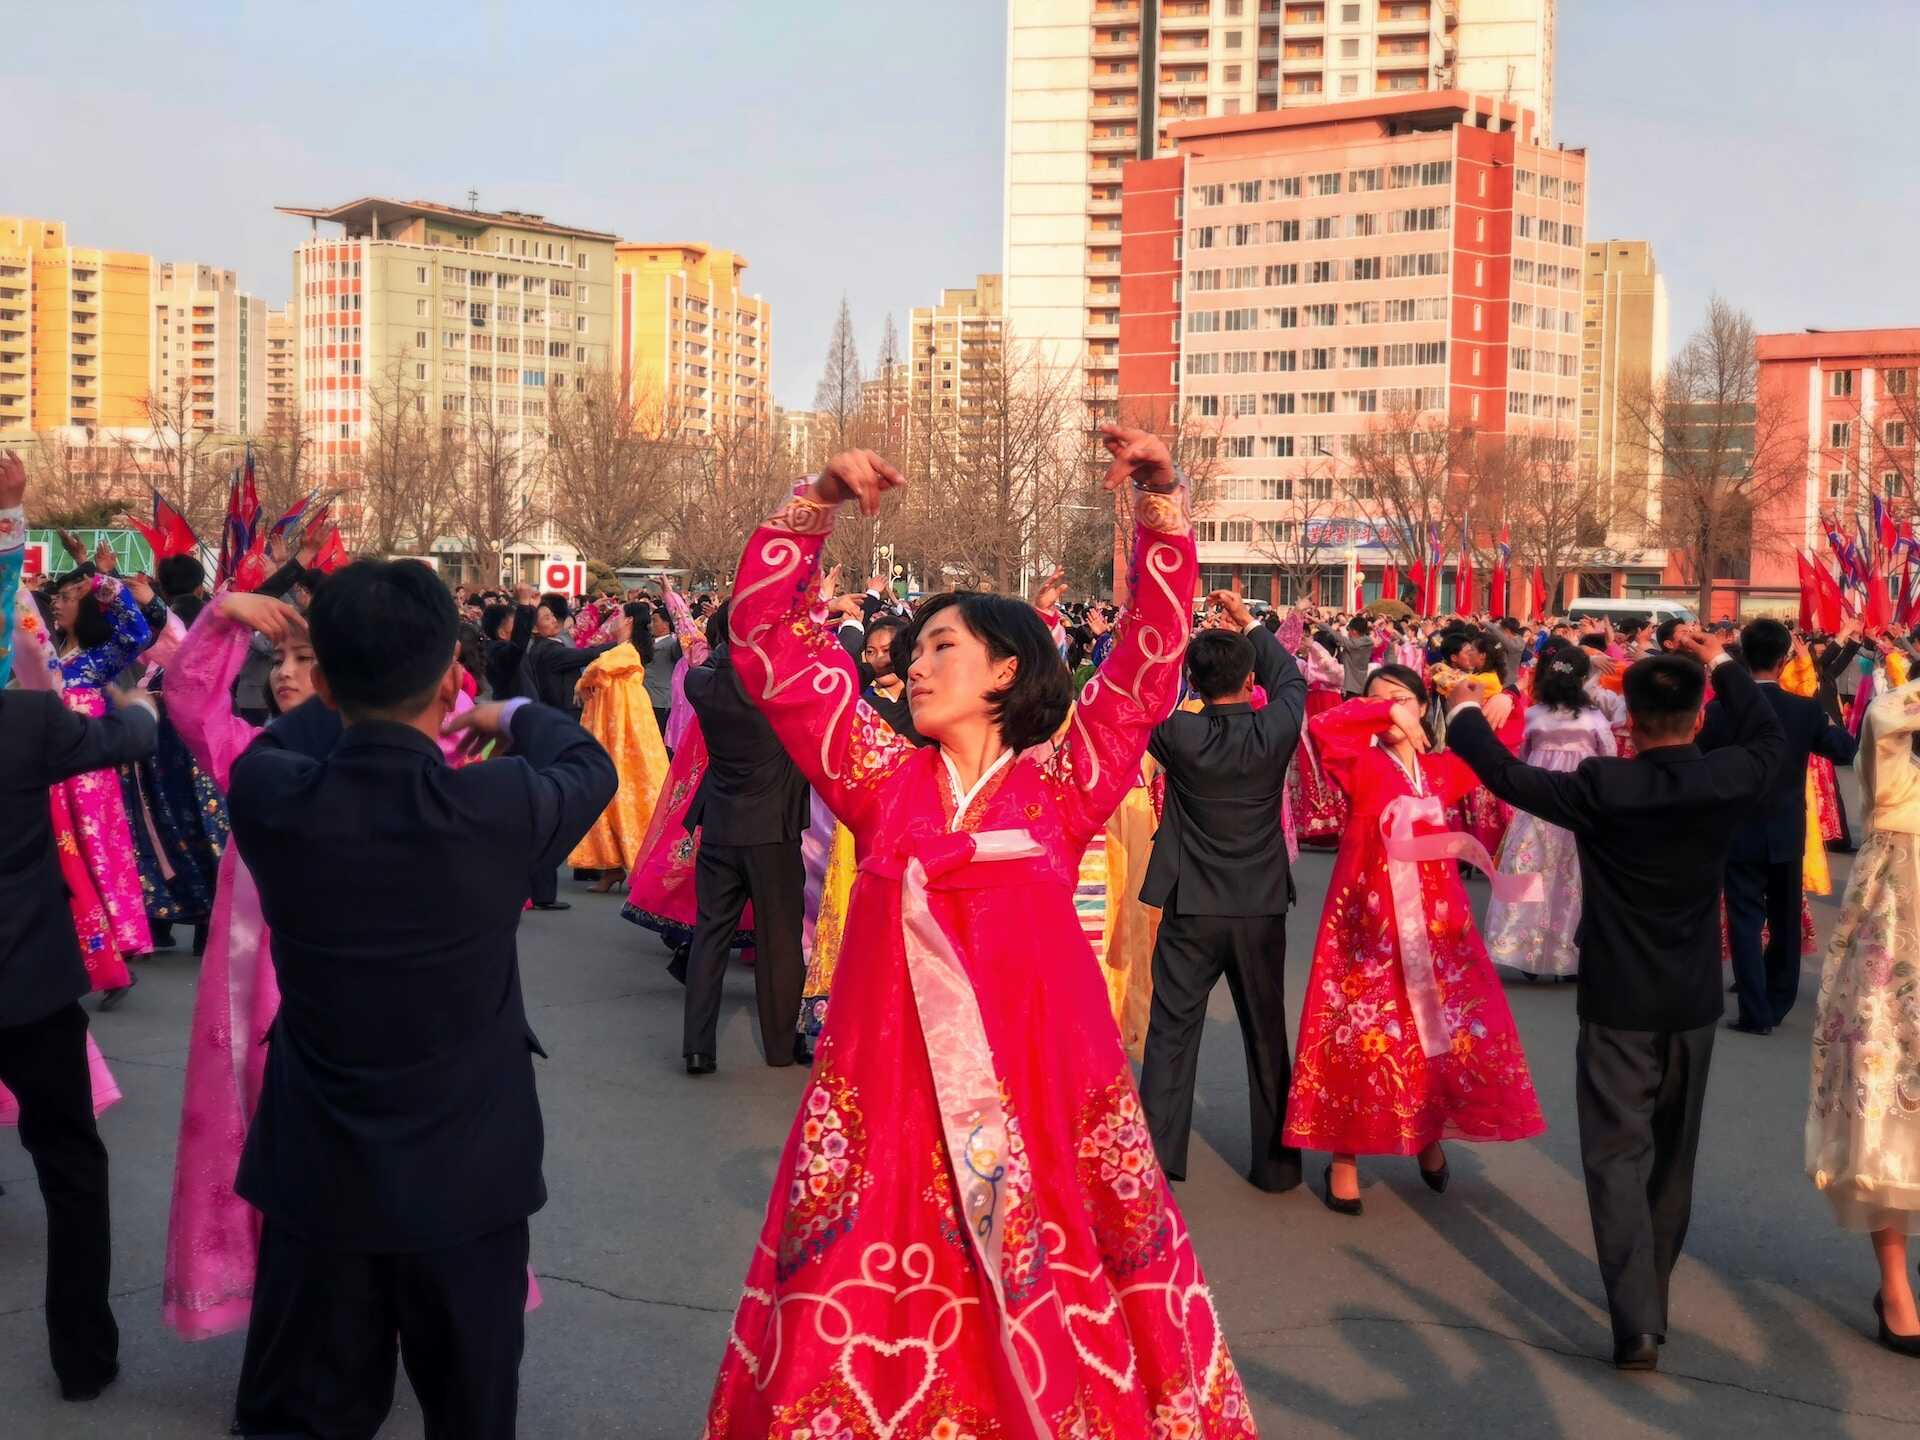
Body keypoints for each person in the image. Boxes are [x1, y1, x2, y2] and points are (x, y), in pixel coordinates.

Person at [701, 431, 1261, 1433]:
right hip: (890, 1122)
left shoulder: (1065, 783)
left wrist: (1162, 505)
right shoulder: (878, 779)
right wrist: (816, 500)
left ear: (1008, 668)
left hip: (1036, 1119)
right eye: (912, 650)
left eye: (940, 648)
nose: (914, 666)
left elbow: (1149, 655)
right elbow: (770, 643)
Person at [223, 560, 615, 1440]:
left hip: (318, 1175)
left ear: (318, 681)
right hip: (468, 1178)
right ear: (450, 677)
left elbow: (293, 741)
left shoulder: (273, 794)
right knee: (472, 1414)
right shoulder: (496, 802)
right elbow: (587, 763)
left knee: (306, 1418)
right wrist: (508, 711)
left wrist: (349, 682)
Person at [1444, 631, 1785, 1370]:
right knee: (1671, 1158)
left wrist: (1465, 711)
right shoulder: (1727, 776)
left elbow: (1505, 776)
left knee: (1614, 1155)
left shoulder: (1604, 786)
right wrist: (1721, 660)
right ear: (1698, 718)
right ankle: (1648, 1290)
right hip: (1692, 999)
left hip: (1616, 996)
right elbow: (1765, 729)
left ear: (1626, 719)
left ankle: (1637, 1319)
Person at [0, 452, 155, 1401]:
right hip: (26, 981)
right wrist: (136, 704)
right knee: (68, 1167)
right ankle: (82, 1356)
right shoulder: (27, 725)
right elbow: (130, 735)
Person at [1284, 664, 1544, 1217]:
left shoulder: (1441, 771)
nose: (1393, 708)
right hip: (1368, 923)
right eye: (1380, 700)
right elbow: (1328, 727)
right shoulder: (1357, 762)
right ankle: (1345, 1158)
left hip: (1437, 924)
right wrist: (1382, 709)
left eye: (1404, 699)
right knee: (1363, 1031)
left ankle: (1426, 1134)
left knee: (1438, 1031)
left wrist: (1499, 698)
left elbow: (1506, 741)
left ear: (1425, 707)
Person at [1138, 587, 1307, 1194]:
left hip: (1192, 904)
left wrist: (1170, 643)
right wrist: (1250, 624)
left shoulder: (1180, 736)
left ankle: (1155, 1158)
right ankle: (1278, 1165)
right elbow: (1292, 677)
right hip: (1259, 903)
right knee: (1266, 1031)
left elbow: (1139, 702)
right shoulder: (1276, 728)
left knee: (1172, 1029)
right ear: (1249, 678)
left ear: (1196, 681)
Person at [1806, 676, 1920, 1354]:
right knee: (1884, 1108)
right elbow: (1880, 718)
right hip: (1896, 950)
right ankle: (1896, 1284)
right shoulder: (1894, 728)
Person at [1701, 618, 1856, 1036]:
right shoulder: (1804, 710)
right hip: (1787, 827)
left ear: (1742, 655)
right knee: (1785, 920)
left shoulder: (1719, 710)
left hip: (1737, 827)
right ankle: (1778, 1000)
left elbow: (1700, 761)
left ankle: (1755, 1010)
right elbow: (1844, 750)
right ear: (1785, 658)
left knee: (1745, 920)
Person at [679, 600, 811, 1073]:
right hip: (771, 829)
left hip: (719, 823)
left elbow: (710, 658)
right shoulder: (780, 686)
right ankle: (779, 1047)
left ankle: (697, 1045)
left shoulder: (701, 684)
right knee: (779, 941)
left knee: (710, 934)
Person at [1482, 643, 1621, 980]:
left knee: (1530, 871)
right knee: (1573, 877)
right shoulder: (1593, 718)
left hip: (1539, 800)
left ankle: (1525, 951)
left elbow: (1524, 759)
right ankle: (1567, 953)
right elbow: (1609, 759)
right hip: (1580, 801)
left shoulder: (1533, 715)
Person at [858, 610, 921, 743]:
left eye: (888, 651)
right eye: (871, 652)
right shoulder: (864, 702)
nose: (879, 659)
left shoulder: (921, 704)